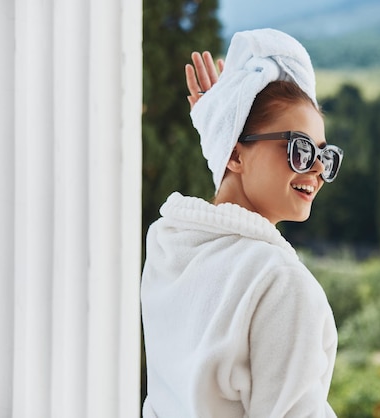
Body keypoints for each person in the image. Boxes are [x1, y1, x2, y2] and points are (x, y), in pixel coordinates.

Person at [141, 28, 343, 417]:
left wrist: (225, 126)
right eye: (299, 149)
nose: (317, 169)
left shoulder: (169, 246)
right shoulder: (280, 283)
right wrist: (226, 124)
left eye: (325, 154)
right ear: (235, 156)